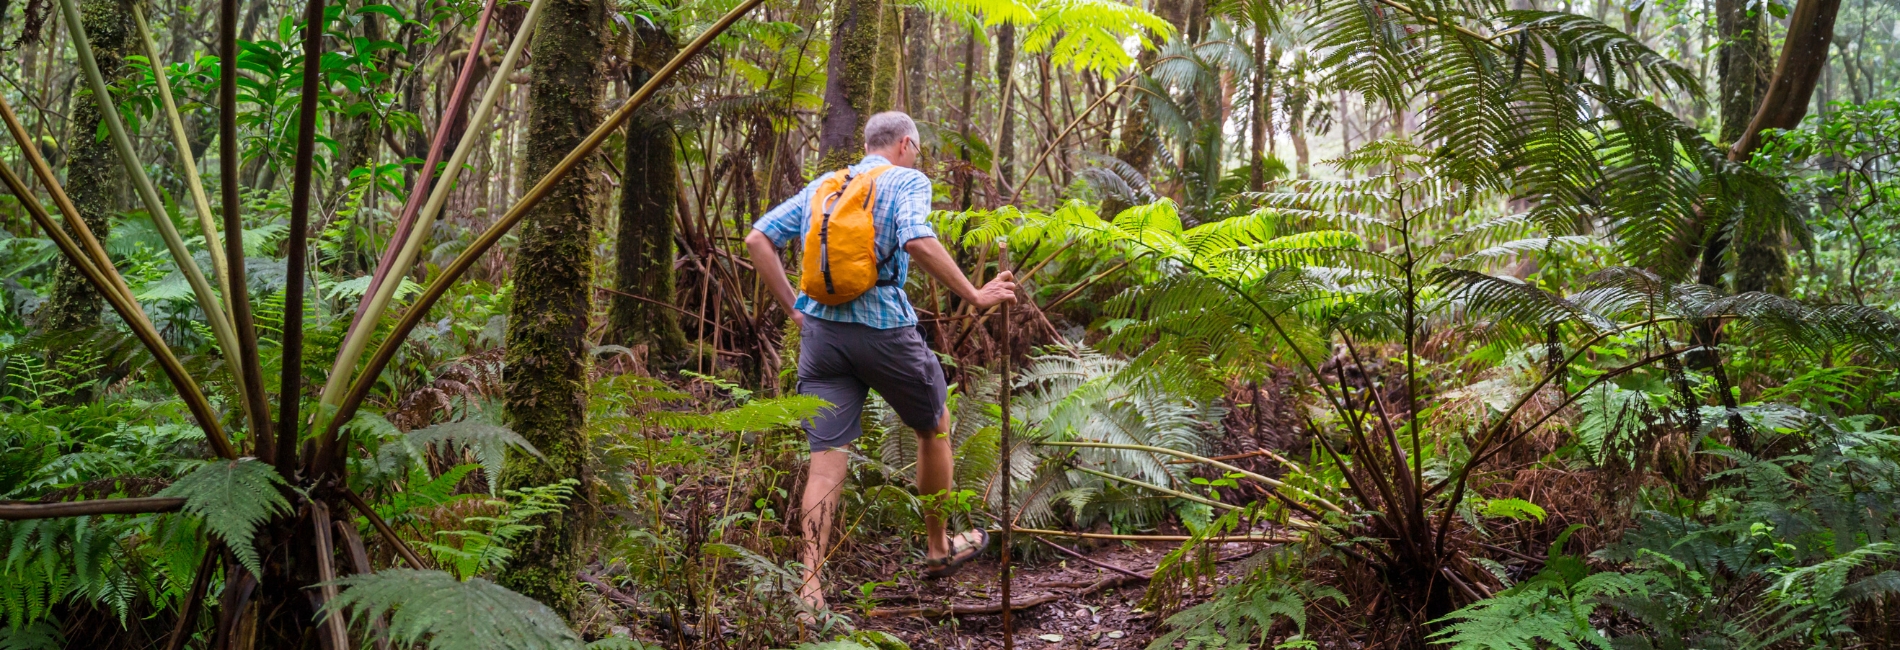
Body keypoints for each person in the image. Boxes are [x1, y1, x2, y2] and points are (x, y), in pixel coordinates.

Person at [744, 111, 1018, 614]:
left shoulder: (824, 185)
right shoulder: (906, 180)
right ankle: (938, 547)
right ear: (906, 145)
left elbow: (758, 239)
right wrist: (976, 295)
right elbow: (916, 239)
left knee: (826, 461)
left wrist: (794, 310)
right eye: (917, 149)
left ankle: (810, 586)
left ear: (869, 143)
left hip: (821, 338)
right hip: (884, 331)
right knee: (933, 425)